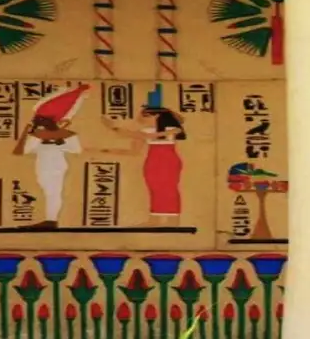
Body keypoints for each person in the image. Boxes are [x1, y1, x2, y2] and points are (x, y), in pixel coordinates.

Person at [12, 84, 91, 230]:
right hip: (44, 167)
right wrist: (26, 133)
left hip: (55, 167)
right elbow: (19, 151)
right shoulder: (40, 135)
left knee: (53, 193)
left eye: (41, 120)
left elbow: (77, 150)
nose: (37, 122)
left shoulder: (64, 135)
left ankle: (51, 220)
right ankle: (50, 219)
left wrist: (58, 139)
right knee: (50, 193)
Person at [102, 94, 187, 226]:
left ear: (157, 116)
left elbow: (172, 129)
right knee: (154, 189)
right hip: (152, 161)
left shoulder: (171, 129)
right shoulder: (145, 131)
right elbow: (134, 151)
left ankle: (173, 220)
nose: (141, 118)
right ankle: (155, 219)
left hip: (168, 161)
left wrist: (115, 129)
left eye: (146, 115)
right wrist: (107, 150)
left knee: (169, 188)